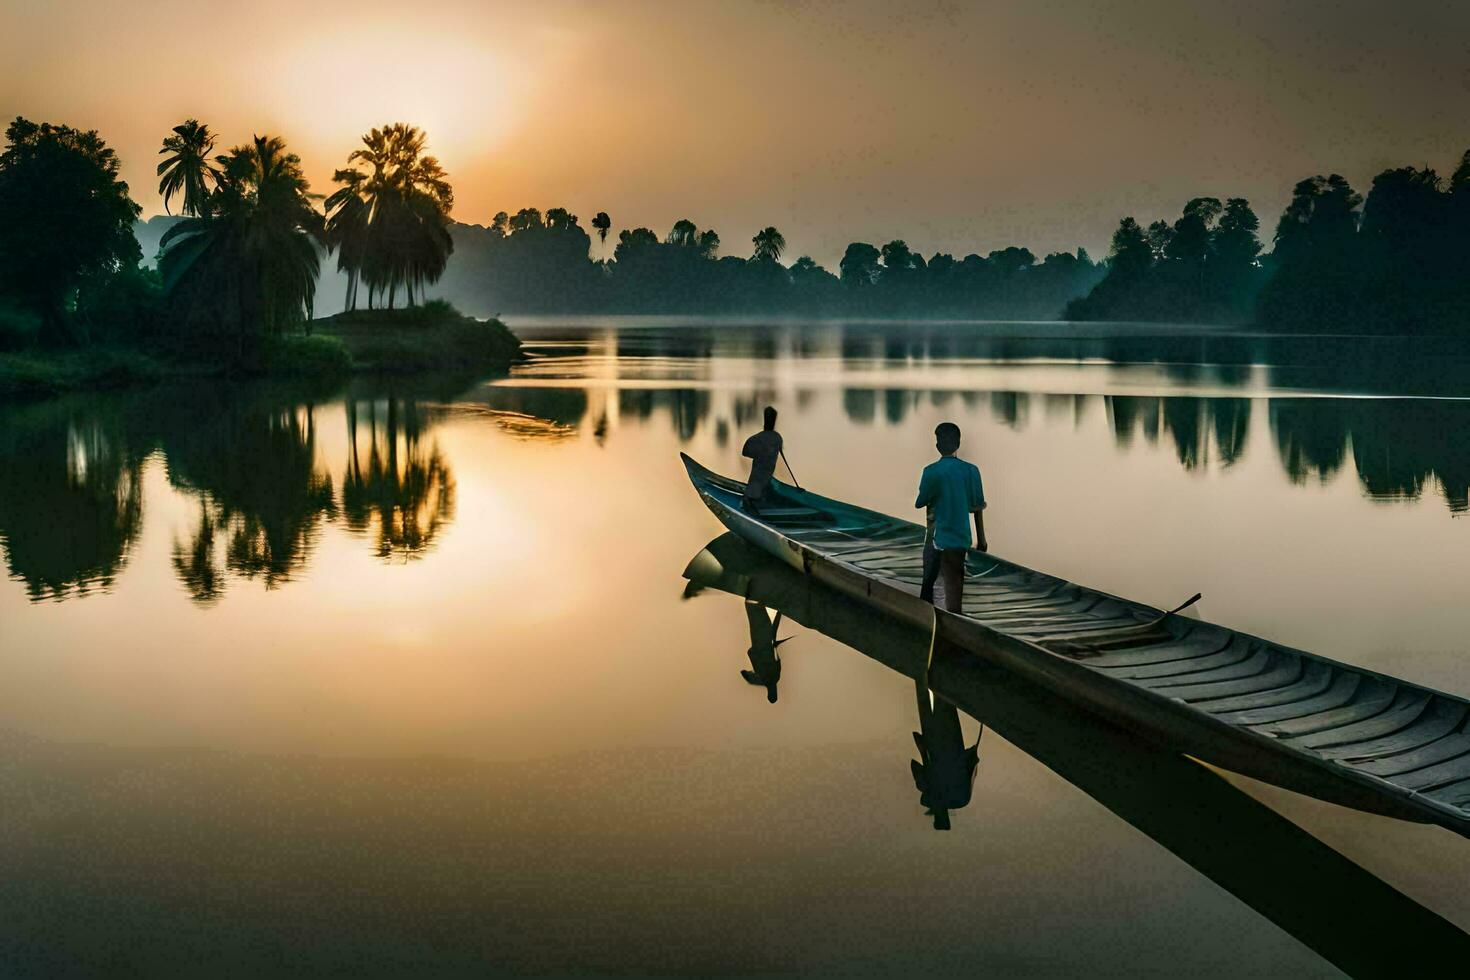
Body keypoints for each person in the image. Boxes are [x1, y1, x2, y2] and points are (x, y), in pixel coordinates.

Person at [915, 422, 986, 612]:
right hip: (962, 538)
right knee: (955, 584)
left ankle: (926, 611)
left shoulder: (931, 471)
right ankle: (955, 614)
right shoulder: (972, 471)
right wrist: (982, 540)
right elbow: (977, 508)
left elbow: (920, 502)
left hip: (938, 539)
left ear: (938, 445)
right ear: (958, 444)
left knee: (930, 581)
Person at [741, 406, 783, 514]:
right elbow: (778, 450)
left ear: (765, 420)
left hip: (755, 482)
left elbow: (745, 452)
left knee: (751, 497)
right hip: (767, 477)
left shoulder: (755, 439)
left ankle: (752, 506)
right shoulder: (778, 438)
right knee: (763, 487)